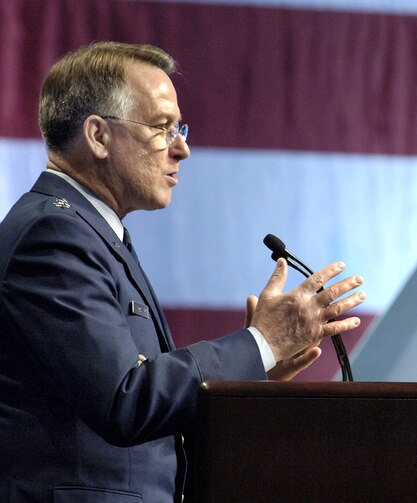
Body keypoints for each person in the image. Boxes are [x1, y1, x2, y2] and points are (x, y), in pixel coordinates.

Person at [0, 41, 366, 502]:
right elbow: (125, 400)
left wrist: (245, 375)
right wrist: (262, 342)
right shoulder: (53, 236)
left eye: (180, 128)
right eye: (162, 127)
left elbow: (145, 409)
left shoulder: (92, 231)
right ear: (98, 136)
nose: (183, 149)